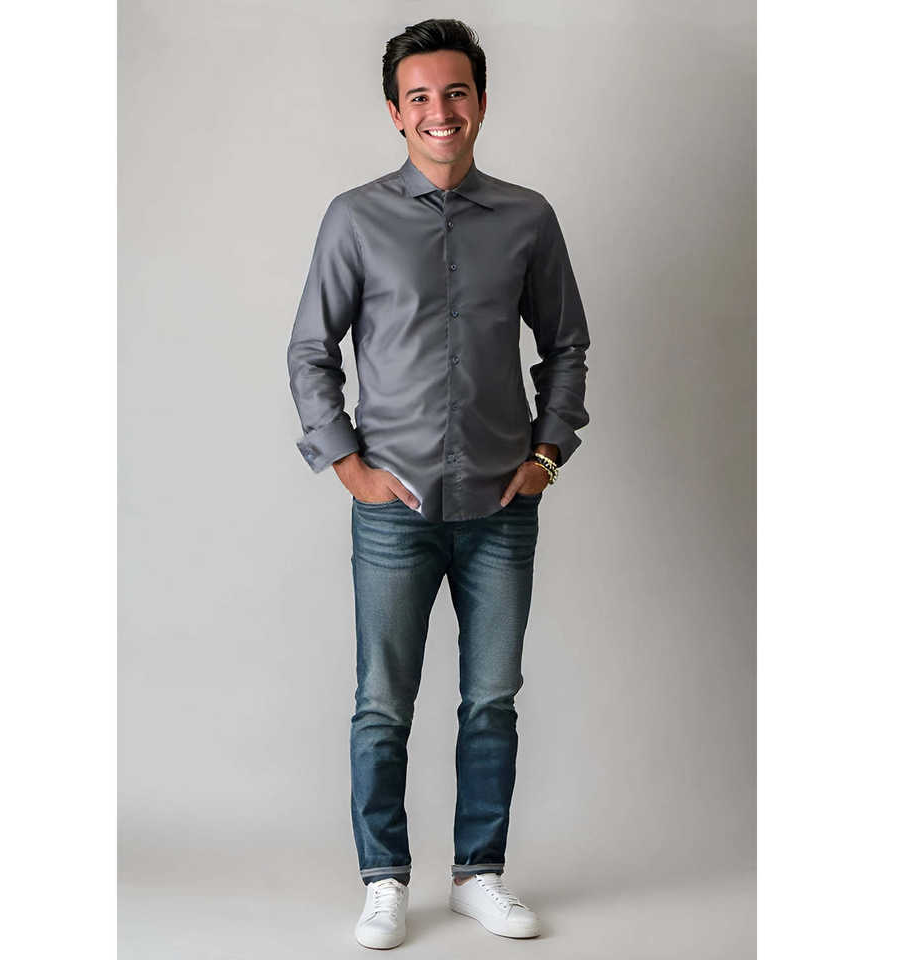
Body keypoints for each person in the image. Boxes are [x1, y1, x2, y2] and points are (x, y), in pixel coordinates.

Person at [287, 18, 590, 949]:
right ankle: (384, 879)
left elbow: (566, 346)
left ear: (482, 102)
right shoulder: (355, 218)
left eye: (455, 92)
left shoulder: (528, 219)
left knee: (491, 700)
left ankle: (477, 875)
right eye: (418, 96)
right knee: (383, 705)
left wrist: (546, 457)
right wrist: (349, 466)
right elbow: (310, 349)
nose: (439, 111)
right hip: (396, 510)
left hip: (502, 508)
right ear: (395, 112)